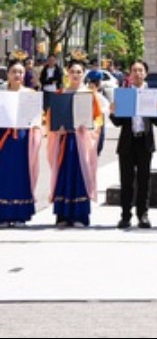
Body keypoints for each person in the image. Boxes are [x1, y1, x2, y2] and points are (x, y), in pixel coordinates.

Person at [109, 59, 157, 229]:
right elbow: (118, 122)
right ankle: (125, 215)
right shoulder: (124, 93)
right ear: (130, 74)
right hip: (127, 142)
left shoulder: (152, 94)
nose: (137, 73)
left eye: (141, 70)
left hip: (144, 142)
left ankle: (143, 215)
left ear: (145, 73)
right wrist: (113, 112)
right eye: (134, 70)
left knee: (144, 180)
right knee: (126, 181)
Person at [46, 60, 100, 227]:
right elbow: (50, 118)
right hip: (65, 140)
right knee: (63, 174)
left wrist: (90, 128)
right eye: (72, 71)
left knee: (81, 175)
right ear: (67, 73)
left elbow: (98, 118)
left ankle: (80, 215)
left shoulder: (90, 95)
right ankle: (62, 214)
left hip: (82, 142)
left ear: (83, 74)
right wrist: (56, 128)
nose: (75, 75)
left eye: (79, 72)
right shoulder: (60, 94)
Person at [0, 60, 42, 226]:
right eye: (14, 72)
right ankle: (3, 214)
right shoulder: (2, 94)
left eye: (20, 72)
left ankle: (20, 214)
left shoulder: (30, 94)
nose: (17, 75)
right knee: (4, 175)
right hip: (4, 138)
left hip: (24, 138)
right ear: (8, 74)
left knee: (22, 174)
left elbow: (36, 119)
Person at [86, 70, 110, 156]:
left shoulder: (99, 91)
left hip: (97, 116)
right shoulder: (95, 92)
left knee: (99, 135)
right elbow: (107, 106)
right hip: (98, 116)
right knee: (100, 135)